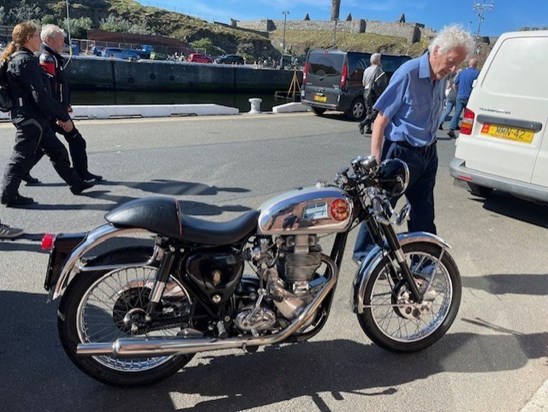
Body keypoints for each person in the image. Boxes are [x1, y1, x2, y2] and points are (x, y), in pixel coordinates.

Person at [353, 24, 476, 262]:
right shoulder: (407, 73)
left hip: (428, 153)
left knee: (424, 212)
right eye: (451, 61)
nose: (453, 69)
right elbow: (380, 121)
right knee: (382, 207)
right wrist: (376, 165)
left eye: (458, 64)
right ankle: (364, 257)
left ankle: (424, 264)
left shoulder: (441, 76)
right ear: (436, 50)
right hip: (401, 152)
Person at [0, 21, 95, 208]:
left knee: (57, 151)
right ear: (28, 39)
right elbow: (40, 95)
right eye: (36, 36)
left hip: (33, 118)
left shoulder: (19, 59)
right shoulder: (26, 61)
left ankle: (76, 184)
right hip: (31, 119)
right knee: (20, 157)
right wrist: (63, 117)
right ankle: (8, 195)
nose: (39, 40)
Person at [23, 24, 102, 185]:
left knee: (41, 145)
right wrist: (59, 114)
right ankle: (82, 175)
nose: (64, 43)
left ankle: (23, 170)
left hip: (54, 110)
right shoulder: (47, 58)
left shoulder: (51, 57)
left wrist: (65, 104)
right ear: (50, 40)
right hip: (53, 112)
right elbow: (48, 90)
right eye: (61, 40)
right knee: (76, 140)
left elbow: (57, 86)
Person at [447, 58, 479, 138]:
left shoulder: (462, 72)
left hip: (460, 95)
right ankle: (465, 132)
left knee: (457, 113)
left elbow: (454, 84)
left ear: (469, 64)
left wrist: (458, 92)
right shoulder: (477, 74)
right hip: (469, 96)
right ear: (476, 65)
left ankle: (451, 129)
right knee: (467, 115)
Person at [358, 53, 388, 135]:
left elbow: (363, 83)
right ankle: (362, 124)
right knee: (375, 111)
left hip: (366, 91)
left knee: (368, 110)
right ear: (378, 61)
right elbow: (381, 83)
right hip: (373, 93)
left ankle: (368, 128)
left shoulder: (366, 70)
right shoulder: (378, 69)